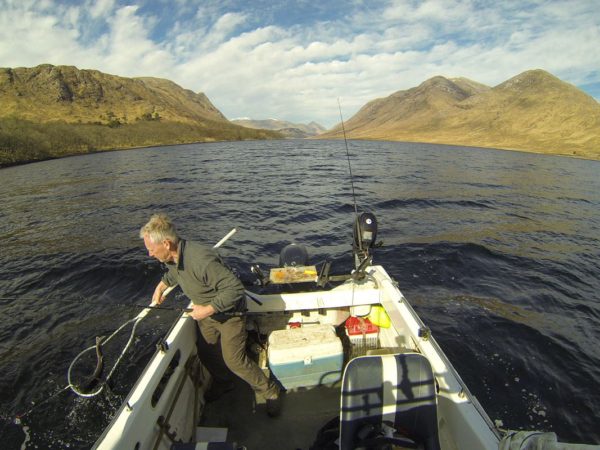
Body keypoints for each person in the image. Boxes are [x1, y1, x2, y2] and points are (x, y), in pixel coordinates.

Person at [140, 213, 281, 416]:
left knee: (234, 360)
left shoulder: (201, 261)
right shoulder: (173, 256)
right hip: (206, 314)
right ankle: (224, 383)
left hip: (229, 314)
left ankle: (270, 392)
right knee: (206, 352)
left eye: (152, 250)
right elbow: (175, 272)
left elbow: (234, 289)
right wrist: (162, 285)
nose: (150, 255)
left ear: (167, 244)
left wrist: (206, 310)